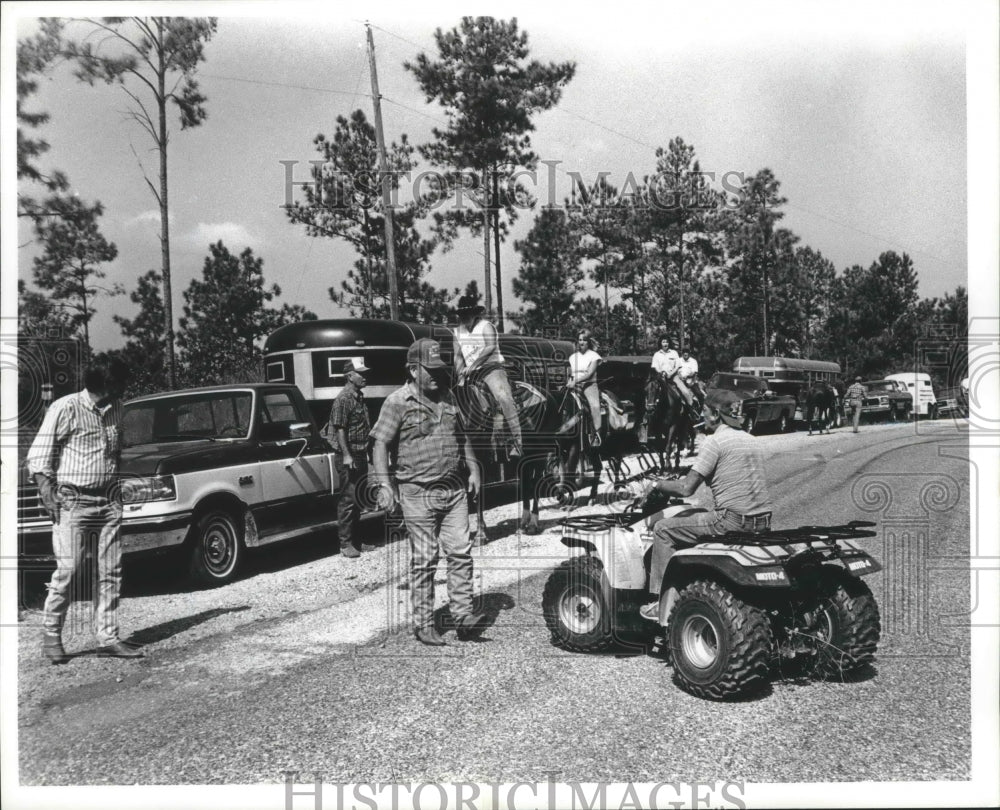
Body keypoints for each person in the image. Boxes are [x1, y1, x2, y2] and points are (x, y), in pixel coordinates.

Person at [370, 338, 487, 646]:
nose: (437, 375)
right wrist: (385, 485)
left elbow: (461, 436)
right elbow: (380, 444)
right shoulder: (397, 402)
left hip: (454, 490)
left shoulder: (448, 396)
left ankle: (463, 616)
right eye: (430, 370)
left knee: (460, 552)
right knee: (425, 559)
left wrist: (473, 469)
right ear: (413, 369)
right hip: (417, 492)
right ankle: (423, 624)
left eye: (439, 369)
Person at [26, 357, 142, 662]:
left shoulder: (117, 408)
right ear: (107, 384)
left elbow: (116, 451)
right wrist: (47, 493)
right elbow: (38, 456)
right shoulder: (65, 408)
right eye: (120, 382)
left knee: (111, 571)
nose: (125, 387)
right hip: (73, 502)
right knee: (69, 570)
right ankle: (52, 636)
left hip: (109, 500)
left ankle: (108, 637)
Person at [639, 388, 773, 620]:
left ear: (716, 414)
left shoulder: (714, 441)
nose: (701, 415)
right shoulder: (751, 440)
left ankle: (659, 602)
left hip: (731, 521)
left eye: (704, 410)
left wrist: (656, 484)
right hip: (762, 521)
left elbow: (686, 488)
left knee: (662, 529)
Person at [453, 295, 522, 458]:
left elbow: (490, 347)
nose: (465, 317)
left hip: (491, 369)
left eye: (467, 313)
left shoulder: (486, 326)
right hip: (470, 373)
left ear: (474, 313)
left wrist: (473, 365)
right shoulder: (457, 332)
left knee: (503, 397)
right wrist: (460, 373)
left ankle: (517, 442)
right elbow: (458, 356)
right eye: (462, 314)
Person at [326, 358, 373, 558]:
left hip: (360, 453)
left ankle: (357, 541)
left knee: (358, 498)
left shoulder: (358, 397)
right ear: (350, 376)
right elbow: (340, 429)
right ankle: (345, 544)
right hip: (349, 455)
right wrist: (346, 455)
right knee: (348, 499)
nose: (365, 376)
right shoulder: (343, 399)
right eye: (361, 373)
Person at [566, 330, 603, 447]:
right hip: (574, 385)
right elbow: (571, 373)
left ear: (589, 342)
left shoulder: (594, 356)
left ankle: (597, 434)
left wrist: (575, 381)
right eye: (580, 340)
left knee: (595, 406)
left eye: (584, 340)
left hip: (589, 385)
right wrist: (570, 381)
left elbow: (589, 374)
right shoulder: (572, 357)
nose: (581, 342)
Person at [650, 334, 697, 418]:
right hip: (661, 377)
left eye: (667, 342)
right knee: (651, 390)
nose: (665, 344)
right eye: (663, 342)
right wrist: (661, 373)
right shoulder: (657, 354)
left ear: (669, 343)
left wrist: (671, 374)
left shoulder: (674, 353)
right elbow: (655, 367)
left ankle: (692, 410)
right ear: (660, 343)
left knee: (685, 391)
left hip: (674, 377)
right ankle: (648, 412)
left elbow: (677, 365)